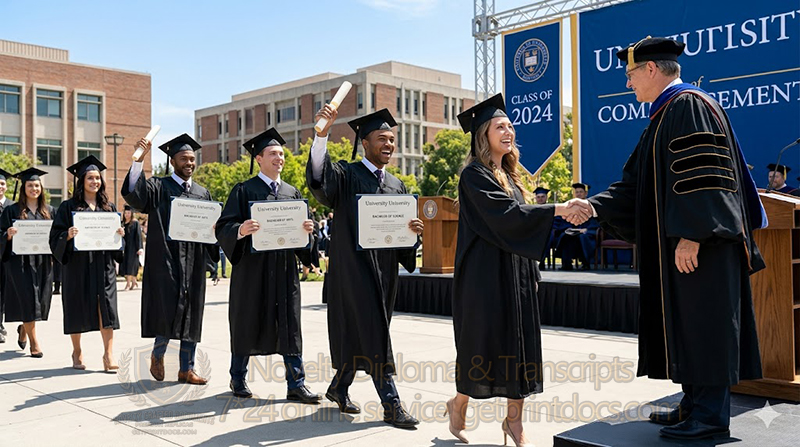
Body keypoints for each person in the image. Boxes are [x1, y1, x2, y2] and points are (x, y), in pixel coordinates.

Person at [586, 37, 765, 441]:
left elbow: (705, 177)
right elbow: (634, 186)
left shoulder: (689, 105)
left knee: (705, 323)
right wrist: (592, 207)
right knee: (688, 323)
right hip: (686, 246)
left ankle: (710, 415)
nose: (628, 84)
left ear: (651, 69)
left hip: (702, 245)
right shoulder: (665, 115)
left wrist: (693, 234)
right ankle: (693, 403)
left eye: (630, 75)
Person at [444, 94, 591, 446]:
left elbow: (523, 229)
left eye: (510, 126)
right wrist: (560, 208)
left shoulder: (511, 176)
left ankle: (514, 423)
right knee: (480, 345)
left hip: (517, 275)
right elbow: (507, 219)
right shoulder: (474, 176)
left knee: (520, 347)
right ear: (483, 134)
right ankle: (459, 402)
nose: (508, 131)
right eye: (500, 126)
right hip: (484, 278)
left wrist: (533, 275)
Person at [307, 106, 424, 429]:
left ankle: (338, 387)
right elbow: (319, 179)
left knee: (365, 332)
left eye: (392, 139)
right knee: (374, 331)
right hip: (354, 271)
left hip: (385, 274)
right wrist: (321, 136)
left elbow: (402, 241)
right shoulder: (345, 175)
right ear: (365, 143)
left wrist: (412, 234)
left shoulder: (398, 185)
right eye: (381, 139)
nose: (388, 144)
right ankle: (391, 403)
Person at [216, 127, 322, 403]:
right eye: (273, 154)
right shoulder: (244, 190)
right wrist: (240, 229)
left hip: (285, 271)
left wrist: (307, 231)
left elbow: (302, 242)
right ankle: (237, 377)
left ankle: (296, 384)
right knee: (246, 321)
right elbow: (223, 226)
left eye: (282, 154)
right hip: (253, 271)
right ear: (259, 158)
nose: (279, 159)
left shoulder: (292, 192)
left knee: (290, 325)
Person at [121, 134, 219, 385]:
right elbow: (135, 194)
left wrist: (212, 256)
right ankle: (158, 353)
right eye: (183, 158)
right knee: (168, 310)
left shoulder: (202, 192)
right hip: (167, 259)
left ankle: (187, 369)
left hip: (194, 260)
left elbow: (210, 229)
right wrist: (137, 161)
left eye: (192, 159)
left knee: (192, 313)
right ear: (172, 161)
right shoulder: (159, 187)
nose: (189, 163)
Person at [50, 156, 125, 371]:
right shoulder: (68, 207)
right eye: (90, 177)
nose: (95, 181)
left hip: (104, 266)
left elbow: (118, 242)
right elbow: (55, 237)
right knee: (76, 306)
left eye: (97, 177)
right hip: (77, 266)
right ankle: (77, 350)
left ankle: (108, 355)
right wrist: (67, 235)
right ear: (81, 180)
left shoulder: (108, 207)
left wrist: (120, 235)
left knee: (107, 308)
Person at [0, 168, 55, 358]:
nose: (34, 188)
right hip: (20, 263)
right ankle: (34, 343)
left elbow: (56, 237)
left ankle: (24, 328)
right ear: (23, 188)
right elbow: (1, 234)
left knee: (40, 301)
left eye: (37, 185)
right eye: (30, 185)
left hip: (43, 263)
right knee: (27, 299)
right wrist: (7, 235)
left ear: (41, 188)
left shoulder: (49, 211)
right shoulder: (11, 210)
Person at [552, 183, 600, 270]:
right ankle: (566, 263)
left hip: (587, 232)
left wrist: (586, 229)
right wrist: (570, 229)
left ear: (586, 193)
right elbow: (564, 222)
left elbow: (595, 223)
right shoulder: (570, 207)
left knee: (582, 237)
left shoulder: (591, 206)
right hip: (573, 232)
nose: (578, 194)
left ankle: (585, 263)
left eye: (581, 192)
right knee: (565, 236)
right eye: (577, 192)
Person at [0, 168, 13, 344]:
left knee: (5, 292)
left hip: (8, 255)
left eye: (2, 183)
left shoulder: (13, 206)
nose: (0, 186)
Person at [120, 205, 143, 291]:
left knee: (131, 265)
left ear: (132, 213)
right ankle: (133, 282)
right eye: (125, 213)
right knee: (126, 265)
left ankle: (128, 284)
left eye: (129, 213)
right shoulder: (122, 223)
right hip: (125, 247)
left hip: (133, 247)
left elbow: (138, 236)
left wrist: (140, 247)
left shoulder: (135, 223)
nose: (127, 215)